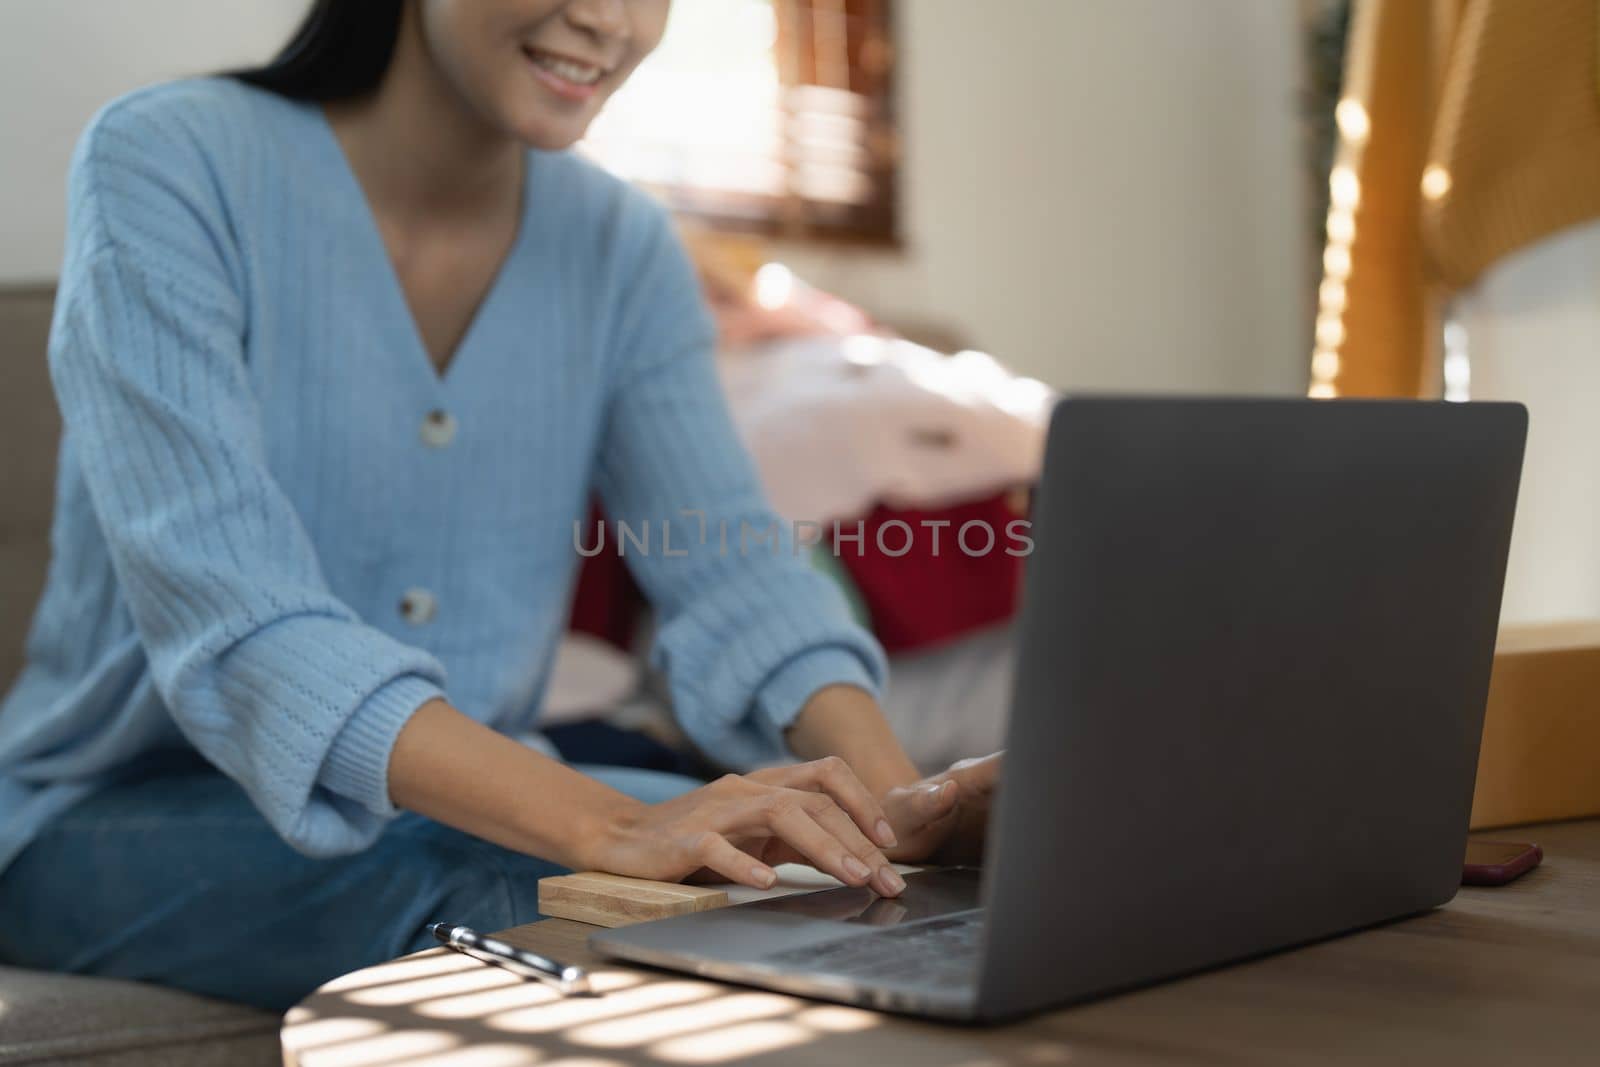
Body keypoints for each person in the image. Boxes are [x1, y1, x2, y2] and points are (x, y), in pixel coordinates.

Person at [0, 0, 998, 1012]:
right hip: (105, 817)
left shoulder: (622, 247)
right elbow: (244, 620)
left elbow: (732, 565)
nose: (605, 17)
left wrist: (900, 810)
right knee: (550, 899)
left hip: (461, 811)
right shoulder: (169, 161)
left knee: (810, 870)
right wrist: (607, 827)